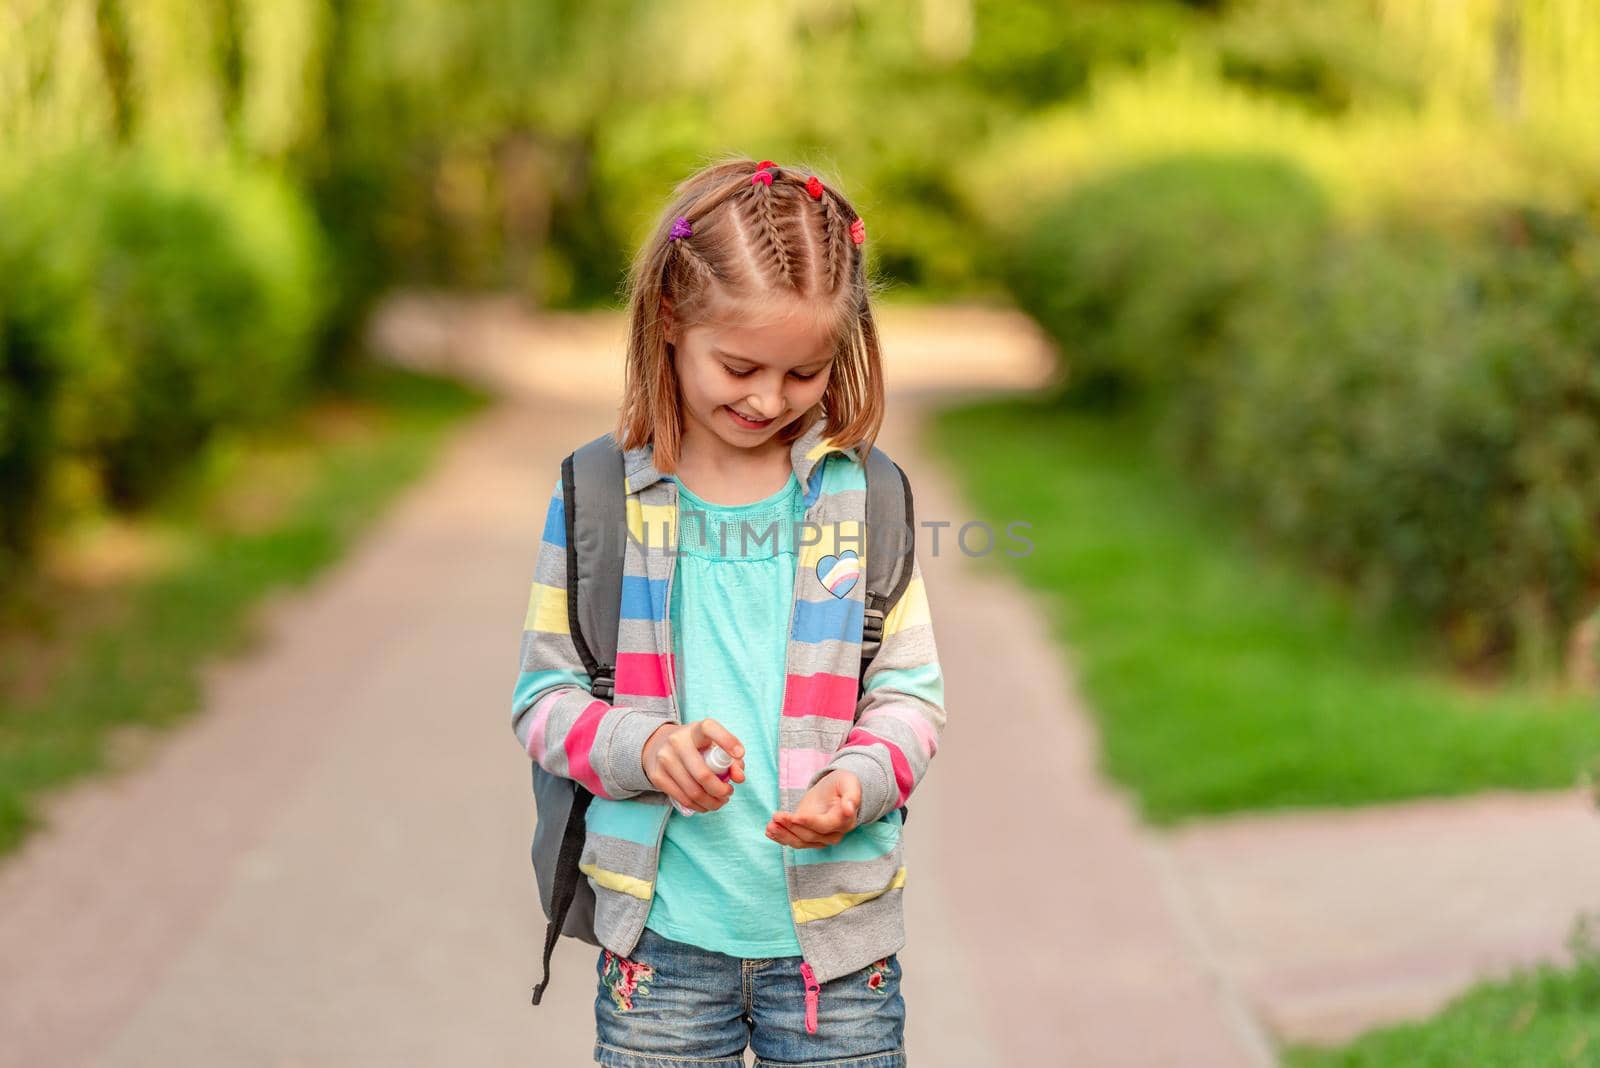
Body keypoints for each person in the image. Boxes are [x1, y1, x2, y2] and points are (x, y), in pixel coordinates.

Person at [511, 156, 946, 1068]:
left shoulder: (862, 499)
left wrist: (858, 782)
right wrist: (644, 747)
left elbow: (909, 697)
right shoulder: (599, 498)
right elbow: (543, 702)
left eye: (805, 374)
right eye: (740, 366)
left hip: (838, 958)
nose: (766, 400)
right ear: (670, 319)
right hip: (661, 952)